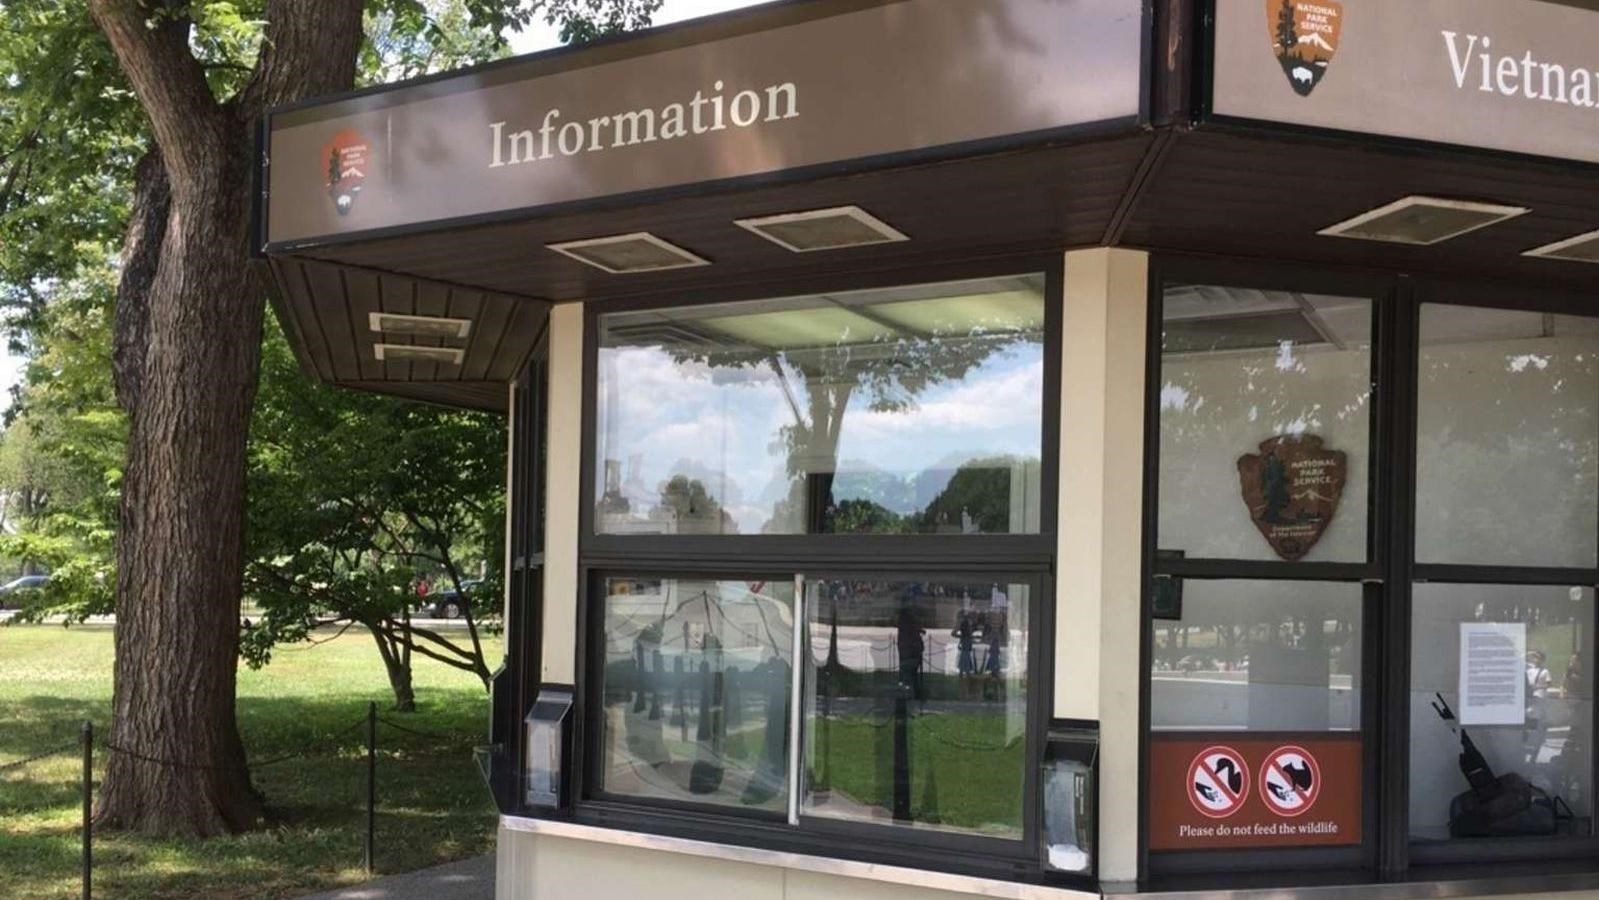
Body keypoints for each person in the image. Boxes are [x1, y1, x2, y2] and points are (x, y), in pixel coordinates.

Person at [1525, 648, 1553, 764]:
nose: (1535, 659)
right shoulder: (1529, 669)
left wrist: (1537, 688)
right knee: (1529, 717)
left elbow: (1548, 684)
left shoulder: (1545, 671)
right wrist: (1528, 653)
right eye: (1534, 657)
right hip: (1530, 696)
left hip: (1539, 697)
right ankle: (1530, 740)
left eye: (1538, 657)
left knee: (1534, 718)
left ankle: (1534, 741)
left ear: (1542, 659)